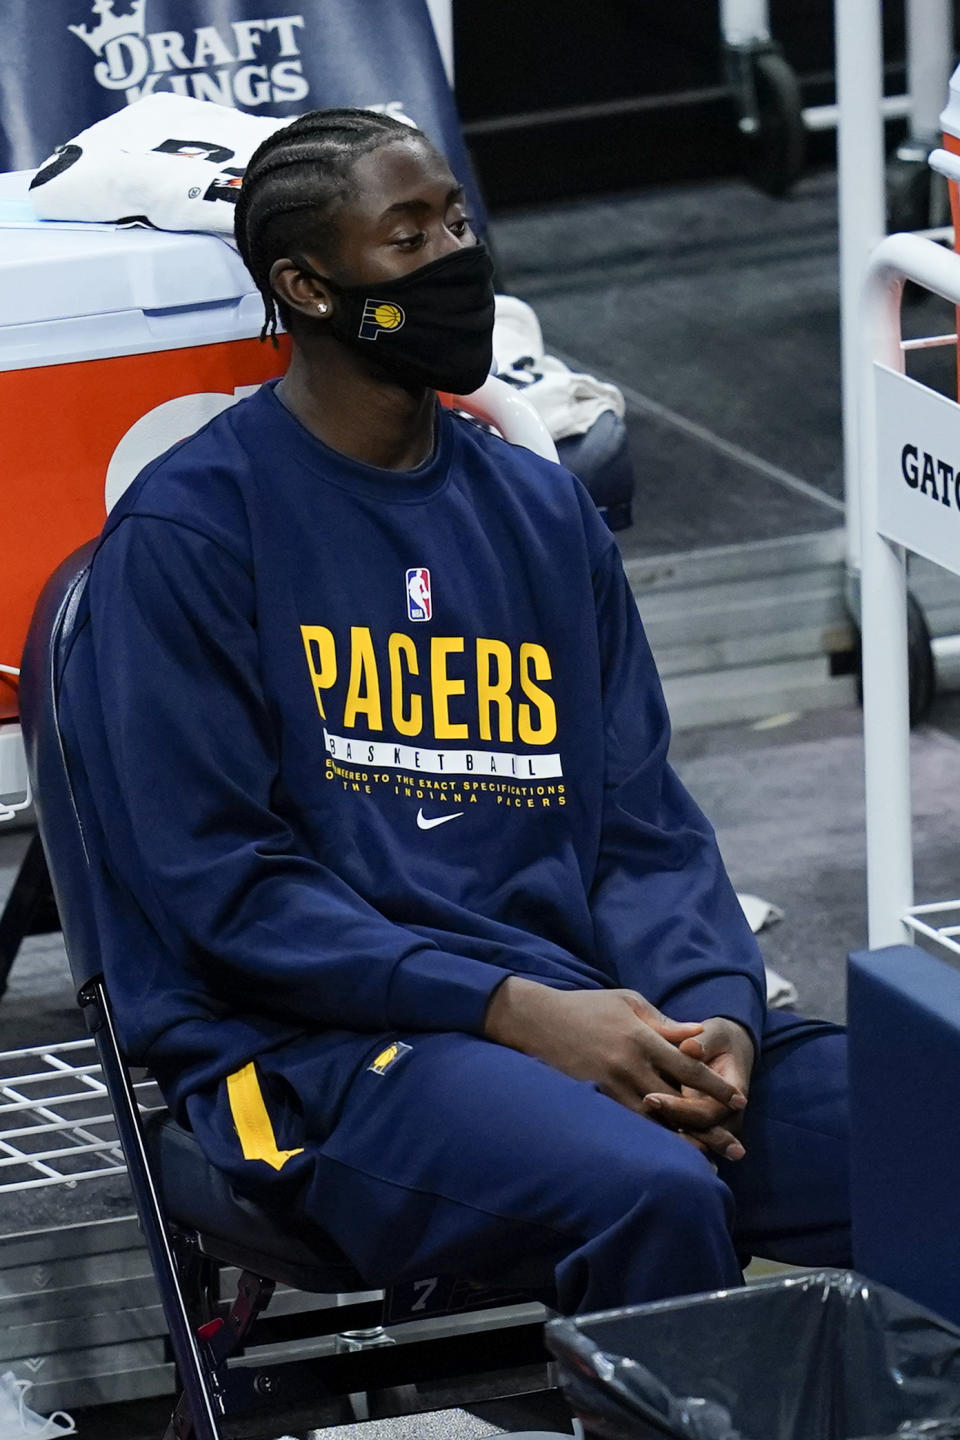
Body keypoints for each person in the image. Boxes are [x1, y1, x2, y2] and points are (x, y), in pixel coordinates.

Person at [60, 107, 849, 1315]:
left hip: (588, 1014)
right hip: (322, 1057)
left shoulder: (541, 511)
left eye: (458, 220)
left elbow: (642, 827)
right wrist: (510, 1012)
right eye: (408, 237)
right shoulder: (191, 536)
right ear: (306, 287)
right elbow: (221, 890)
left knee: (922, 1119)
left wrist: (714, 1019)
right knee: (653, 1190)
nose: (456, 261)